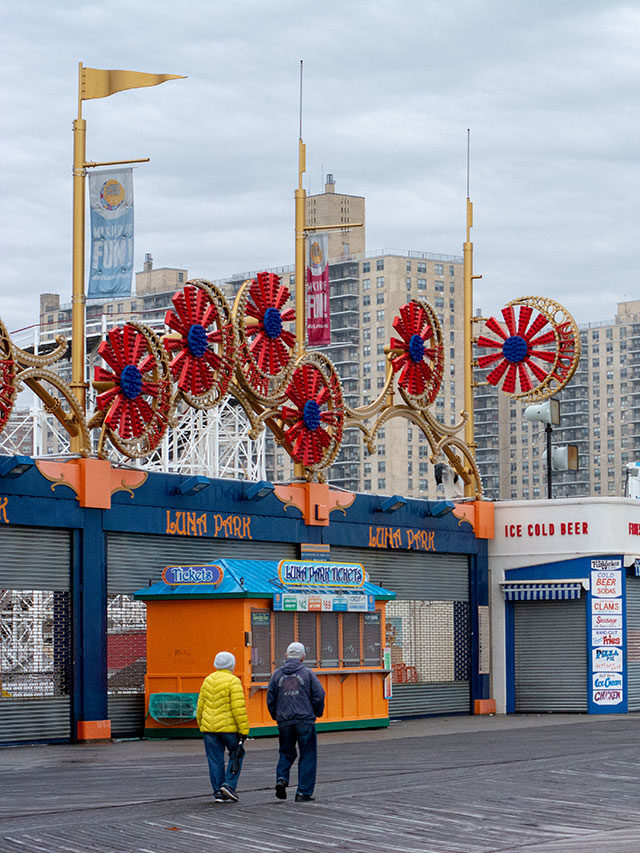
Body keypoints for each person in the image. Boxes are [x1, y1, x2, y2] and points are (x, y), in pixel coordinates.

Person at [266, 641, 325, 802]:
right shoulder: (308, 674)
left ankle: (282, 779)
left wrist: (276, 716)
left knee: (286, 752)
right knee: (307, 755)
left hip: (284, 721)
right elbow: (319, 695)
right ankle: (303, 792)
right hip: (305, 720)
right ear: (303, 657)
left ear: (285, 656)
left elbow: (270, 698)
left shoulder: (277, 675)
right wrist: (317, 712)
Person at [196, 651, 249, 803]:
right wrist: (244, 729)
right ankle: (229, 785)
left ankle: (218, 792)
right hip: (229, 729)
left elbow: (200, 706)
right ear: (232, 665)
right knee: (237, 754)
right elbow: (238, 708)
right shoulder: (233, 681)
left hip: (209, 729)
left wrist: (202, 724)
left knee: (214, 759)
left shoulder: (208, 680)